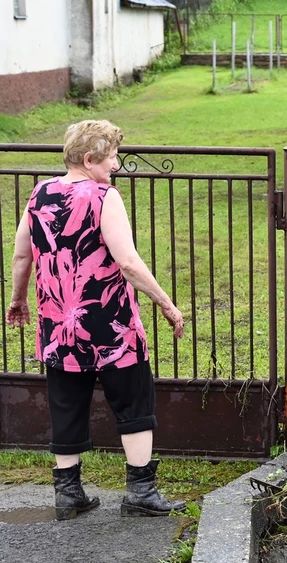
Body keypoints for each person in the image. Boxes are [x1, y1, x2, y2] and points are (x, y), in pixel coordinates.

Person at [5, 119, 187, 520]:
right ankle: (141, 491)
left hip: (58, 323)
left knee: (66, 403)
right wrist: (166, 303)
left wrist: (18, 300)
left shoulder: (39, 194)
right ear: (89, 159)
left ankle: (69, 496)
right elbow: (127, 263)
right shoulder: (104, 196)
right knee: (133, 397)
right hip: (110, 325)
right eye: (112, 157)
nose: (116, 165)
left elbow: (22, 256)